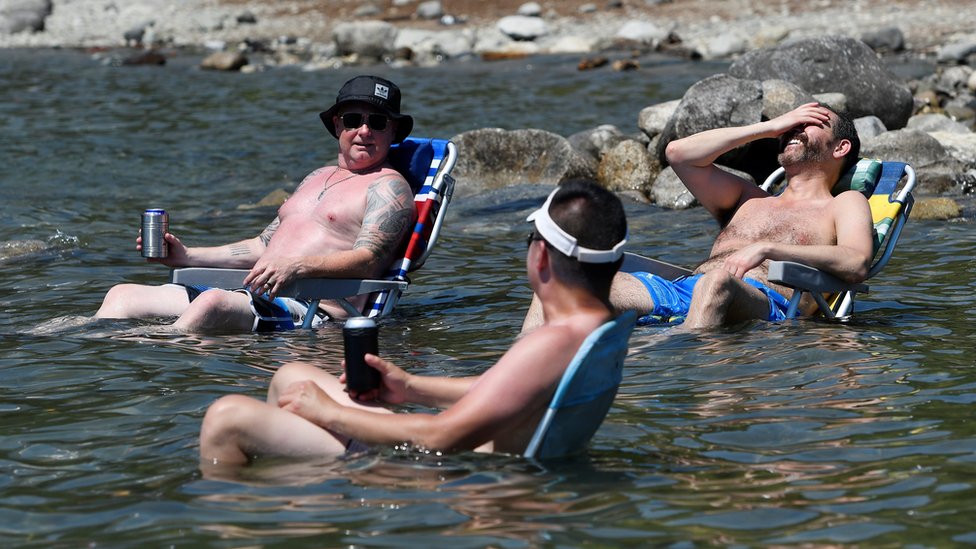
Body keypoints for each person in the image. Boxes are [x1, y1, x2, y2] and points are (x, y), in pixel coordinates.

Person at [198, 180, 629, 465]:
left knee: (227, 416)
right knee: (292, 375)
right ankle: (299, 500)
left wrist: (329, 412)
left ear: (540, 256)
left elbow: (442, 436)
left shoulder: (551, 342)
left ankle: (244, 520)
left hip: (443, 477)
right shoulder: (599, 327)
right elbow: (511, 391)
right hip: (485, 460)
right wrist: (411, 387)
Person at [95, 75, 417, 332]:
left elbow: (369, 260)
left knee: (211, 305)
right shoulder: (316, 177)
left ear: (393, 132)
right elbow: (263, 246)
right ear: (336, 126)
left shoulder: (388, 187)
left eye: (377, 122)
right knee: (121, 296)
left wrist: (298, 267)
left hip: (312, 308)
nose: (363, 131)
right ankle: (65, 346)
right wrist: (187, 256)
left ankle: (149, 355)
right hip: (252, 295)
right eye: (352, 119)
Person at [523, 102, 874, 331]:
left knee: (717, 282)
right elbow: (679, 154)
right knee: (562, 281)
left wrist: (767, 249)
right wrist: (769, 128)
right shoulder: (748, 197)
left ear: (839, 147)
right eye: (790, 125)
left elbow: (856, 261)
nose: (793, 130)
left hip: (762, 301)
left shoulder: (843, 203)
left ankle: (691, 384)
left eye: (809, 123)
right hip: (681, 291)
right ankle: (515, 386)